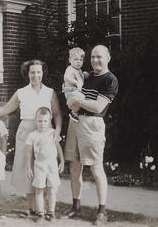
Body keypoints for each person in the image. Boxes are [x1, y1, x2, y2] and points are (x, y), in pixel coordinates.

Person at [0, 59, 62, 217]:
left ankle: (47, 209)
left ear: (43, 73)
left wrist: (57, 132)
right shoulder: (21, 92)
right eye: (32, 72)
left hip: (46, 135)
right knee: (29, 172)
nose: (36, 75)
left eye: (38, 72)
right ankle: (33, 208)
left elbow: (58, 114)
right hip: (26, 134)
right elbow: (4, 109)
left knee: (46, 170)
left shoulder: (50, 92)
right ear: (28, 74)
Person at [63, 45, 119, 225]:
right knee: (74, 167)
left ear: (108, 58)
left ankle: (102, 211)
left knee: (96, 168)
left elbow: (97, 107)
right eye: (93, 57)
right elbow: (69, 85)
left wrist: (79, 99)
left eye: (99, 57)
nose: (95, 60)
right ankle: (76, 207)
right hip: (75, 121)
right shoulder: (86, 76)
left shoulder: (110, 80)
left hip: (92, 125)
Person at [25, 107, 65, 221]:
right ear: (35, 120)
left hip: (52, 163)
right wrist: (28, 167)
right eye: (40, 121)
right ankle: (40, 213)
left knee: (52, 188)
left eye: (45, 121)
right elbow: (28, 153)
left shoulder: (53, 133)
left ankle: (51, 212)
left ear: (50, 120)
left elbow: (58, 147)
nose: (42, 124)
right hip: (39, 164)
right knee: (39, 189)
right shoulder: (32, 135)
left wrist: (62, 161)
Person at [62, 47, 89, 122]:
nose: (78, 62)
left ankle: (78, 111)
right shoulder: (70, 69)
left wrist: (84, 74)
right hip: (70, 92)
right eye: (76, 59)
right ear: (70, 60)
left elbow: (81, 78)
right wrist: (76, 82)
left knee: (83, 98)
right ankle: (73, 113)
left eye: (81, 60)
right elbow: (66, 78)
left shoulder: (79, 70)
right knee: (79, 98)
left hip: (76, 91)